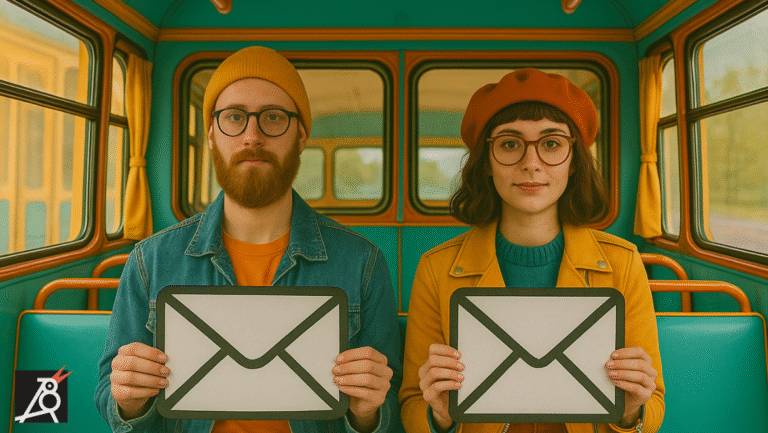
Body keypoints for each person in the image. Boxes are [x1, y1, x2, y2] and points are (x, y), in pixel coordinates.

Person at [95, 46, 402, 433]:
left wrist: (367, 411)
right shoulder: (150, 260)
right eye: (234, 117)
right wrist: (128, 400)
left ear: (301, 135)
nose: (252, 136)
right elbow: (110, 396)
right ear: (211, 135)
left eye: (273, 118)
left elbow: (390, 407)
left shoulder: (363, 263)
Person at [399, 69, 664, 433]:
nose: (531, 163)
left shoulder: (623, 262)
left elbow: (654, 403)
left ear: (574, 160)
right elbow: (413, 402)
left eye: (551, 143)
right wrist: (441, 416)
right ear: (486, 161)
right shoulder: (436, 268)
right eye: (510, 144)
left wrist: (631, 409)